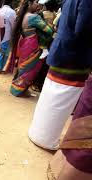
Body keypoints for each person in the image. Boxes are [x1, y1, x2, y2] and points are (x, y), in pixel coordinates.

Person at [28, 0, 92, 151]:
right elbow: (83, 29)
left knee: (52, 96)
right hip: (74, 56)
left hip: (61, 51)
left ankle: (39, 134)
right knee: (62, 100)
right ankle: (47, 140)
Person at [9, 0, 53, 97]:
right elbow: (49, 30)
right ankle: (19, 90)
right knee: (31, 68)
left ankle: (17, 88)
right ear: (29, 4)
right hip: (32, 44)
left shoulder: (23, 16)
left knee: (24, 67)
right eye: (36, 2)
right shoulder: (34, 17)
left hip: (25, 43)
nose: (38, 4)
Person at [0, 0, 16, 73]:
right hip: (7, 35)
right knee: (4, 53)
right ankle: (0, 68)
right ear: (11, 3)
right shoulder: (12, 12)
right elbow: (14, 25)